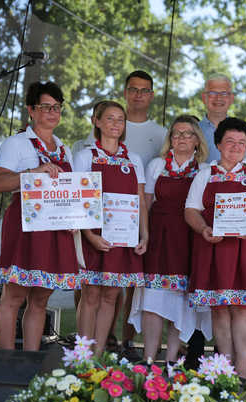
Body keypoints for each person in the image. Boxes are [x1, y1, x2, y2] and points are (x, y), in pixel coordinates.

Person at [185, 117, 246, 379]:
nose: (236, 147)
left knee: (244, 310)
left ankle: (244, 372)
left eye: (241, 142)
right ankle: (224, 371)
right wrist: (203, 228)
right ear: (218, 144)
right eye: (230, 142)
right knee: (220, 310)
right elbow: (191, 210)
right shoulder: (205, 174)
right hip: (214, 247)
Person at [0, 81, 79, 350]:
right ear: (31, 110)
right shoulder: (17, 143)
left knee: (41, 299)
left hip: (54, 229)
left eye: (57, 107)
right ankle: (5, 360)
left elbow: (72, 191)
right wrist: (33, 173)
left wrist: (75, 219)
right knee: (14, 296)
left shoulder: (64, 148)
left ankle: (30, 361)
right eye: (46, 107)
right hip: (24, 226)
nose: (52, 113)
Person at [128, 115, 211, 366]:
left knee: (181, 303)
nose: (182, 138)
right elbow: (146, 204)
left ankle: (173, 360)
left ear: (197, 140)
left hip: (189, 239)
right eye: (176, 133)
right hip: (159, 238)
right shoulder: (156, 165)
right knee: (153, 301)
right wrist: (144, 235)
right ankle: (150, 359)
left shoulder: (206, 169)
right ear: (170, 139)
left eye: (188, 134)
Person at [74, 100, 148, 356]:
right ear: (96, 121)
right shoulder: (85, 156)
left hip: (122, 239)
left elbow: (140, 201)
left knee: (111, 297)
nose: (116, 124)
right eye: (110, 118)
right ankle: (81, 356)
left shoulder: (134, 159)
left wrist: (144, 234)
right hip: (92, 236)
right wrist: (89, 236)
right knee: (91, 295)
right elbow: (78, 199)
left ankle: (96, 356)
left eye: (120, 119)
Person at [119, 70, 167, 359]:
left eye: (144, 90)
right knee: (96, 283)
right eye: (133, 89)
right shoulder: (110, 122)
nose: (138, 94)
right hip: (105, 216)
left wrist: (145, 223)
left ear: (151, 95)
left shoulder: (160, 133)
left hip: (140, 216)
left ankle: (125, 340)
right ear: (125, 92)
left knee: (132, 284)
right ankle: (97, 341)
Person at [198, 74, 246, 162]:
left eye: (224, 93)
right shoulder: (193, 131)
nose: (218, 98)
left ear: (231, 98)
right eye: (212, 93)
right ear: (204, 97)